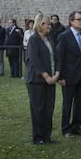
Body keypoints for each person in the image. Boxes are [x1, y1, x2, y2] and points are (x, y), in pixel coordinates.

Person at [25, 13, 61, 144]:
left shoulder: (50, 39)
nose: (50, 27)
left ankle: (47, 136)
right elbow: (35, 60)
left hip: (51, 79)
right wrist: (46, 76)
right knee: (38, 108)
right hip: (36, 80)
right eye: (48, 24)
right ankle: (38, 137)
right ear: (41, 25)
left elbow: (56, 57)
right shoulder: (34, 39)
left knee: (48, 108)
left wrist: (57, 73)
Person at [56, 11, 81, 139]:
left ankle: (76, 126)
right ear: (71, 21)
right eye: (79, 19)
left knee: (79, 102)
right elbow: (60, 57)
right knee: (67, 103)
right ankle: (66, 129)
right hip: (68, 76)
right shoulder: (64, 36)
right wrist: (60, 76)